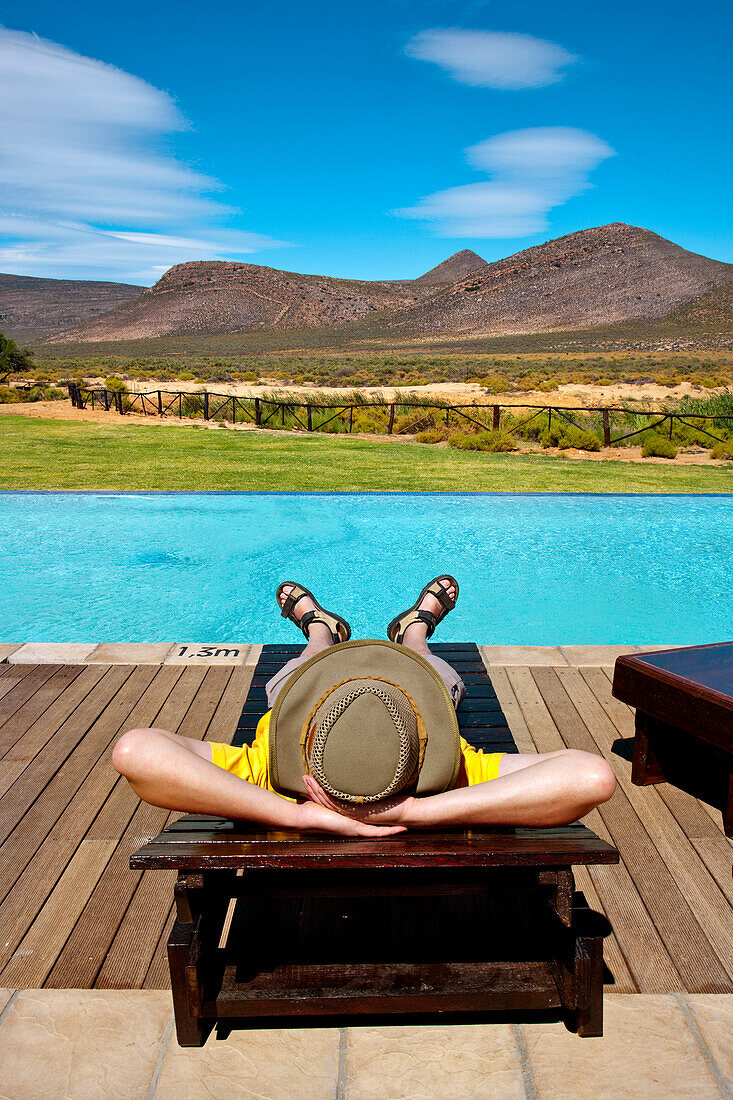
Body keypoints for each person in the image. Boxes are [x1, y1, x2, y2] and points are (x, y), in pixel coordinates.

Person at [113, 576, 616, 837]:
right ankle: (415, 625)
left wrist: (299, 818)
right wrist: (417, 810)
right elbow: (590, 777)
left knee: (311, 661)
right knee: (419, 660)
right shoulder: (452, 770)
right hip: (413, 699)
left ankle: (320, 629)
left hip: (309, 703)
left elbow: (137, 751)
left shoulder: (268, 767)